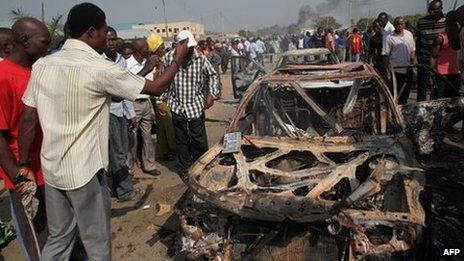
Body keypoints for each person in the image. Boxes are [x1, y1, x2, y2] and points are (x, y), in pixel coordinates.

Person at [18, 3, 189, 260]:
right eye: (103, 31)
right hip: (85, 171)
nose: (107, 38)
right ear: (90, 33)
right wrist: (178, 58)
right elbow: (156, 88)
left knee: (59, 239)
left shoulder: (43, 65)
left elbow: (28, 118)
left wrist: (23, 162)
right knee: (96, 242)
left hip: (52, 169)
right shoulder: (99, 67)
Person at [0, 17, 50, 261]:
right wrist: (20, 180)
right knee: (38, 242)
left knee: (57, 237)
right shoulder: (3, 77)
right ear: (24, 40)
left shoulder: (36, 71)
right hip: (26, 178)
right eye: (44, 43)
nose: (48, 49)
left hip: (48, 171)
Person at [161, 30, 220, 175]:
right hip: (176, 104)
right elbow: (163, 80)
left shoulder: (200, 58)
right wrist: (160, 100)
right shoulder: (168, 58)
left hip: (195, 104)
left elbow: (212, 75)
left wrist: (212, 94)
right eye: (188, 47)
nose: (191, 50)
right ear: (179, 46)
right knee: (181, 139)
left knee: (198, 138)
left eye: (192, 47)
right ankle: (185, 167)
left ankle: (202, 164)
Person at [103, 27, 139, 201]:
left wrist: (130, 114)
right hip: (107, 113)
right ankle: (124, 190)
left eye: (114, 39)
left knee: (122, 150)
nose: (111, 43)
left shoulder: (119, 60)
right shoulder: (99, 61)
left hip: (120, 113)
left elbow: (125, 90)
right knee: (116, 153)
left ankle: (119, 186)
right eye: (108, 40)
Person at [126, 39, 161, 175]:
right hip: (133, 103)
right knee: (132, 138)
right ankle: (129, 168)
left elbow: (152, 83)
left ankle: (149, 165)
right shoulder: (127, 64)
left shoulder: (148, 63)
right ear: (139, 50)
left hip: (146, 103)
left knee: (147, 136)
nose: (149, 50)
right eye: (146, 48)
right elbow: (129, 83)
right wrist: (146, 69)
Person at [416, 0, 446, 101]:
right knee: (422, 85)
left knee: (439, 87)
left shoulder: (447, 21)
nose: (431, 12)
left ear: (441, 8)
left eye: (435, 10)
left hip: (442, 61)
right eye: (430, 10)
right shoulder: (422, 22)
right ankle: (420, 108)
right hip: (425, 58)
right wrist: (419, 56)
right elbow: (418, 40)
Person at [383, 17, 415, 105]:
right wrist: (387, 70)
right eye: (397, 24)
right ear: (394, 25)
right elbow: (385, 55)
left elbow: (412, 50)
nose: (399, 26)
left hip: (408, 69)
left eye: (402, 24)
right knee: (395, 94)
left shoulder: (409, 34)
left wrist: (412, 65)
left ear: (404, 25)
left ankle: (403, 110)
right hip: (395, 70)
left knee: (405, 93)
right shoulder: (389, 38)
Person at [432, 28, 461, 98]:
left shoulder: (459, 36)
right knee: (440, 98)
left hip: (456, 72)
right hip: (442, 74)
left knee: (454, 99)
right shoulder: (440, 38)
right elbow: (433, 55)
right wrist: (432, 72)